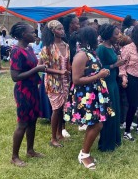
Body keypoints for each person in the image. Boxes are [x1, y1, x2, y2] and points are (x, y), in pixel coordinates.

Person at [64, 27, 114, 170]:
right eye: (95, 36)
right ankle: (84, 154)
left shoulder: (90, 53)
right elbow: (76, 79)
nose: (98, 38)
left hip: (94, 93)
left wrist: (102, 73)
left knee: (95, 124)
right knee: (97, 124)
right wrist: (99, 75)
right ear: (88, 38)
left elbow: (92, 71)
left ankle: (85, 152)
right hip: (86, 95)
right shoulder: (81, 55)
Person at [9, 22, 46, 167]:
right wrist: (36, 69)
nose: (35, 34)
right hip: (23, 91)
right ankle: (14, 156)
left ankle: (30, 150)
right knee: (23, 123)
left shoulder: (29, 48)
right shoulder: (16, 51)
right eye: (32, 32)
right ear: (24, 35)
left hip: (33, 89)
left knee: (33, 120)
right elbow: (15, 76)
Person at [40, 20, 71, 147]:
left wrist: (70, 71)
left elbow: (67, 63)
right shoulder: (47, 47)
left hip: (65, 81)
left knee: (62, 108)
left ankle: (59, 134)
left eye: (62, 28)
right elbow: (41, 67)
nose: (62, 31)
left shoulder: (66, 45)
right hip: (53, 82)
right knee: (56, 109)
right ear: (53, 31)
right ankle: (53, 138)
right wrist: (59, 72)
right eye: (59, 29)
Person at [96, 24, 126, 151]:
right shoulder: (101, 49)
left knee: (116, 112)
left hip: (113, 83)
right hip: (106, 84)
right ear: (108, 35)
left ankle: (115, 140)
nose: (118, 36)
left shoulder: (112, 47)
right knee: (109, 113)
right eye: (116, 34)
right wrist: (115, 65)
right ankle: (106, 144)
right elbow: (98, 69)